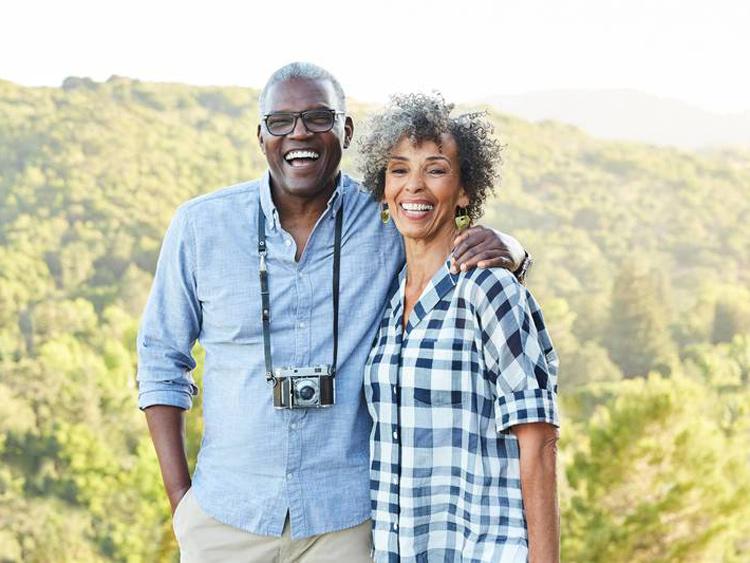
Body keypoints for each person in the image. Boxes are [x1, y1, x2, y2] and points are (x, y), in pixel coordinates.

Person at [137, 63, 527, 562]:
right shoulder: (200, 226)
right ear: (262, 137)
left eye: (318, 117)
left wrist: (513, 249)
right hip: (225, 517)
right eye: (281, 121)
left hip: (346, 523)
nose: (299, 132)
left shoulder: (388, 215)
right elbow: (159, 361)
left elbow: (452, 229)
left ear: (345, 130)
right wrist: (182, 504)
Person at [360, 93, 559, 563]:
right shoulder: (389, 306)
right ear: (384, 189)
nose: (414, 186)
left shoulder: (487, 289)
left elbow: (539, 440)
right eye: (399, 169)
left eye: (435, 169)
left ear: (465, 190)